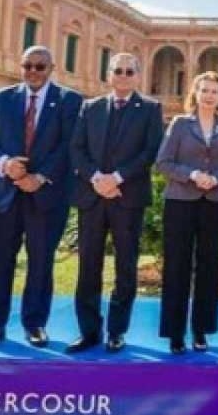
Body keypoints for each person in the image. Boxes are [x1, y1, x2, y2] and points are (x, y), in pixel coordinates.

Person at [0, 46, 82, 350]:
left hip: (46, 197)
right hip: (3, 195)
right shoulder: (2, 99)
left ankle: (35, 324)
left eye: (40, 66)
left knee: (41, 263)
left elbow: (70, 146)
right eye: (27, 65)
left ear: (51, 68)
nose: (33, 71)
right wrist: (5, 165)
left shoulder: (70, 101)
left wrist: (38, 178)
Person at [66, 53, 164, 354]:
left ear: (137, 75)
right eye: (117, 71)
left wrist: (117, 178)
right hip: (92, 197)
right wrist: (97, 178)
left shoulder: (149, 109)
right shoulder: (90, 107)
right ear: (109, 74)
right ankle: (89, 331)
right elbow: (76, 148)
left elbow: (150, 151)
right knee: (88, 266)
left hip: (127, 198)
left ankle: (117, 331)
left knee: (125, 267)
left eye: (129, 71)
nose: (123, 75)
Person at [154, 71, 218, 354]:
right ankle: (175, 332)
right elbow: (164, 162)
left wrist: (217, 178)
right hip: (179, 201)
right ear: (195, 92)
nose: (209, 96)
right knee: (176, 266)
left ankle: (201, 330)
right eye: (204, 90)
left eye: (214, 91)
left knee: (208, 268)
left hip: (212, 202)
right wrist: (191, 174)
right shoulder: (180, 124)